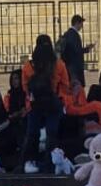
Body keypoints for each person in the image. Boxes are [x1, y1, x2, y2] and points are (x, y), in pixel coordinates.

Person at [20, 34, 69, 174]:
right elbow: (65, 86)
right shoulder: (58, 64)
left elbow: (25, 88)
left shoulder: (28, 66)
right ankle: (50, 163)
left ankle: (26, 161)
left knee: (32, 134)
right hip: (53, 103)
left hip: (34, 104)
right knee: (51, 134)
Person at [57, 15, 87, 90]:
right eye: (81, 24)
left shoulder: (67, 33)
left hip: (69, 65)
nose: (81, 26)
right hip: (74, 66)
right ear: (77, 23)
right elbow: (76, 50)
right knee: (76, 87)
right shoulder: (74, 35)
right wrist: (86, 49)